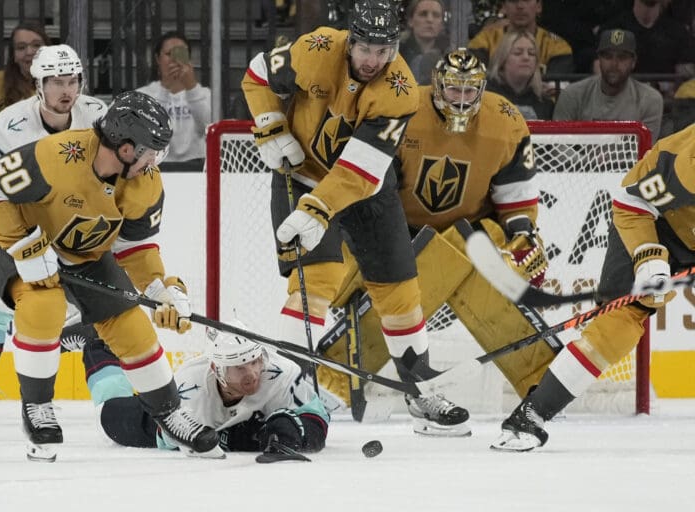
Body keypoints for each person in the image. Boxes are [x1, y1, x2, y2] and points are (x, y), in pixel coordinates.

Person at [241, 0, 470, 436]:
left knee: (401, 292)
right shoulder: (318, 47)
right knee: (315, 285)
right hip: (302, 175)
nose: (373, 60)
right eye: (366, 48)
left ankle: (420, 392)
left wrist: (318, 210)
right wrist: (270, 125)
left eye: (383, 50)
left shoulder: (400, 90)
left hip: (368, 185)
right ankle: (286, 395)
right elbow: (256, 73)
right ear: (351, 40)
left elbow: (359, 172)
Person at [0, 90, 222, 462]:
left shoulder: (144, 182)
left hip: (78, 249)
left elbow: (135, 246)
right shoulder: (57, 155)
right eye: (150, 152)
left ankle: (169, 413)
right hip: (6, 237)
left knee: (130, 320)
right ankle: (36, 408)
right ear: (127, 148)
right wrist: (25, 247)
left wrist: (160, 288)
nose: (154, 162)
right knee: (43, 303)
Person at [317, 49, 554, 426]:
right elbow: (368, 188)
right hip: (389, 227)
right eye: (453, 90)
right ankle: (358, 380)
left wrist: (524, 236)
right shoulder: (402, 106)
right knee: (426, 266)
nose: (461, 99)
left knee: (470, 247)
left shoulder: (505, 120)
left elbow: (515, 197)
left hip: (469, 232)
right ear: (436, 85)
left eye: (468, 91)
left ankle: (542, 386)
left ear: (482, 89)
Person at [490, 121, 695, 452]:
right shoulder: (685, 163)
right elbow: (632, 204)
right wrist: (650, 260)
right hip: (653, 225)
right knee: (618, 327)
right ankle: (531, 415)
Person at [0, 44, 107, 424]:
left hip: (62, 213)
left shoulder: (97, 116)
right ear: (38, 85)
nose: (65, 90)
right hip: (5, 214)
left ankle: (68, 330)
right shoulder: (8, 126)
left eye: (72, 80)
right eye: (56, 81)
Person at [81, 321, 329, 456]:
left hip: (225, 418)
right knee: (108, 406)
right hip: (158, 425)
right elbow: (186, 442)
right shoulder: (191, 387)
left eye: (255, 361)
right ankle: (94, 341)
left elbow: (318, 417)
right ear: (217, 369)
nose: (252, 373)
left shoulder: (281, 372)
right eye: (240, 367)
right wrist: (243, 437)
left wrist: (296, 431)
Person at [552, 29, 664, 141]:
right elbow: (559, 144)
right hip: (578, 158)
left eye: (622, 57)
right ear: (598, 60)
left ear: (633, 62)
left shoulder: (650, 100)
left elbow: (645, 151)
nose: (614, 64)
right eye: (608, 56)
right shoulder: (572, 95)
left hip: (632, 159)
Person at [136, 31, 211, 166]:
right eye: (169, 54)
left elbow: (207, 128)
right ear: (158, 59)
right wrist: (165, 89)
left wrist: (191, 87)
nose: (175, 60)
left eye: (181, 54)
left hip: (197, 166)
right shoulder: (143, 95)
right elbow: (148, 133)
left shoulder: (204, 94)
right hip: (156, 166)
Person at [600, 0, 695, 97]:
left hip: (666, 106)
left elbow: (686, 83)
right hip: (623, 104)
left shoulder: (679, 33)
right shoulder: (613, 30)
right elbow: (606, 78)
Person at [468, 0, 574, 75]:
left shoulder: (558, 46)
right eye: (513, 0)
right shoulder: (483, 41)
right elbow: (475, 83)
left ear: (539, 6)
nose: (520, 6)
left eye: (526, 0)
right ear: (504, 7)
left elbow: (555, 91)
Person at [486, 30, 554, 120]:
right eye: (517, 53)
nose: (526, 57)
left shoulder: (545, 103)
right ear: (503, 60)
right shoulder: (485, 96)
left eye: (531, 53)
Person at [0, 21, 51, 114]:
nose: (29, 52)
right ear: (14, 56)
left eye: (36, 45)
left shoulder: (66, 83)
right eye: (21, 47)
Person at [399, 0, 450, 85]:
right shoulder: (397, 54)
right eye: (423, 14)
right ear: (410, 21)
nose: (430, 20)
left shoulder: (450, 56)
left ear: (442, 24)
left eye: (436, 15)